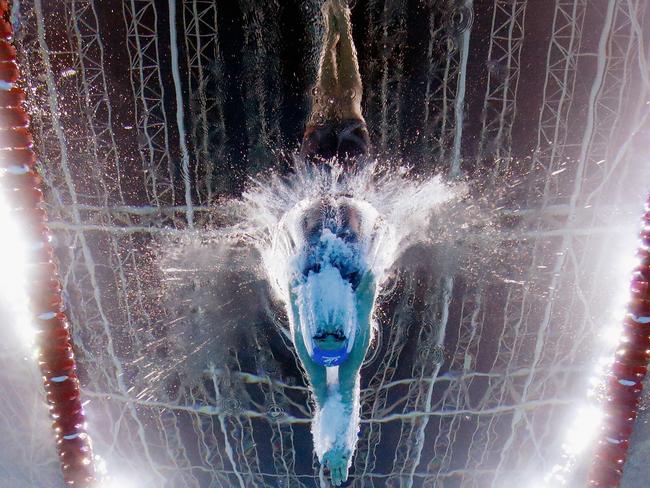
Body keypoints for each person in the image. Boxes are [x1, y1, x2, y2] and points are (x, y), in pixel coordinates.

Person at [288, 1, 378, 485]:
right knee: (341, 102)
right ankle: (333, 28)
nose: (325, 336)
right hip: (339, 211)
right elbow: (341, 394)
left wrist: (334, 453)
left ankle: (333, 30)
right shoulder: (343, 358)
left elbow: (329, 402)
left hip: (331, 208)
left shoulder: (318, 355)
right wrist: (338, 452)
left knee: (334, 101)